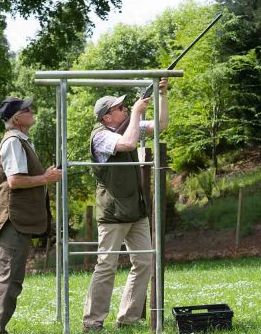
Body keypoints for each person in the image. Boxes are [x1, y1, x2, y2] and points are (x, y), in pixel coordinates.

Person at [83, 78, 169, 332]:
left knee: (144, 262)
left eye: (124, 107)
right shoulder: (100, 137)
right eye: (119, 108)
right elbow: (129, 144)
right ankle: (92, 321)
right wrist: (137, 113)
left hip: (135, 210)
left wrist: (162, 95)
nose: (125, 109)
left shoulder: (128, 126)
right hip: (112, 213)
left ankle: (128, 318)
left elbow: (161, 125)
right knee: (106, 266)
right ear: (107, 117)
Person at [0, 96, 62, 334]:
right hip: (12, 221)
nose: (33, 110)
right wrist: (45, 178)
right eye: (28, 109)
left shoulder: (20, 140)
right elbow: (15, 181)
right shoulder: (14, 141)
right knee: (11, 280)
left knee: (5, 279)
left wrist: (43, 176)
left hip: (15, 220)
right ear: (17, 118)